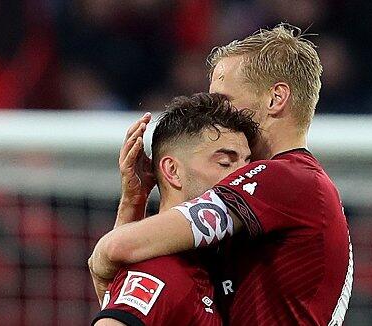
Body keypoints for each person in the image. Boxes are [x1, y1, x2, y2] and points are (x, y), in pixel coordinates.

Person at [89, 24, 353, 325]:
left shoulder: (284, 179)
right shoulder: (285, 201)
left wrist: (101, 258)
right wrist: (133, 203)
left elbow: (119, 248)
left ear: (275, 98)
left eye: (224, 101)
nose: (216, 113)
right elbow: (140, 292)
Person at [91, 92, 259, 325]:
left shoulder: (223, 265)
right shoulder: (159, 272)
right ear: (172, 171)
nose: (241, 176)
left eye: (247, 164)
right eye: (225, 163)